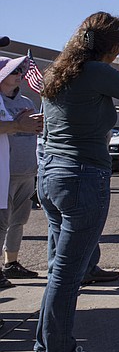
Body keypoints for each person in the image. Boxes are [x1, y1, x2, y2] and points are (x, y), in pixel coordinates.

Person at [32, 12, 119, 352]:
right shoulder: (96, 72)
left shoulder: (59, 72)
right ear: (112, 45)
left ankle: (46, 351)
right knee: (69, 276)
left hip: (51, 174)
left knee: (58, 271)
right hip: (83, 176)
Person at [0, 55, 43, 286]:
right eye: (14, 71)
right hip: (5, 172)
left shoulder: (27, 101)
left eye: (20, 71)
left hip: (27, 171)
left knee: (19, 220)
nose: (19, 75)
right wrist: (17, 125)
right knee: (1, 222)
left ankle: (12, 262)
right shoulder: (0, 102)